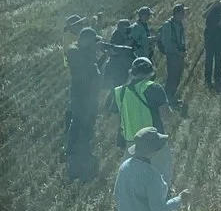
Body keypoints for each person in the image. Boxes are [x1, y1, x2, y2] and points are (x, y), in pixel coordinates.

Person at [109, 57, 176, 183]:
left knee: (133, 179)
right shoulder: (154, 88)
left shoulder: (120, 91)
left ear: (132, 72)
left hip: (131, 144)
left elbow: (114, 120)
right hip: (153, 140)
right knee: (163, 174)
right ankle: (161, 199)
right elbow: (167, 115)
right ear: (151, 72)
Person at [65, 27, 103, 181]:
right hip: (80, 96)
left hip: (90, 96)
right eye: (93, 41)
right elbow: (85, 71)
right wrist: (92, 53)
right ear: (86, 40)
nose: (95, 44)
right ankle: (72, 153)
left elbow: (95, 72)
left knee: (87, 125)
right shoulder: (74, 51)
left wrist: (103, 57)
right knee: (78, 123)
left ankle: (83, 151)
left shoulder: (86, 53)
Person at [158, 3, 188, 107]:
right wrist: (178, 52)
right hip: (173, 55)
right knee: (172, 77)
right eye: (183, 12)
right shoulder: (168, 25)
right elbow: (167, 43)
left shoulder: (179, 24)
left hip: (179, 54)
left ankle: (172, 98)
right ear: (177, 13)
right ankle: (168, 100)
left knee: (177, 77)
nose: (184, 15)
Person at [102, 19, 136, 90]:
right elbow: (115, 50)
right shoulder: (117, 35)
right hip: (118, 65)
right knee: (117, 86)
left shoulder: (127, 35)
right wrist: (126, 44)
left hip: (124, 64)